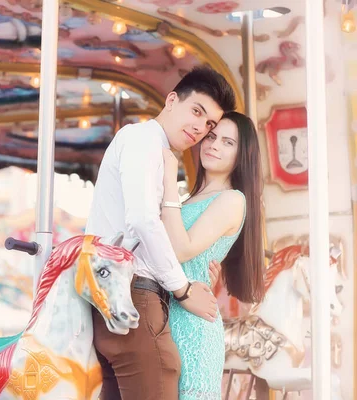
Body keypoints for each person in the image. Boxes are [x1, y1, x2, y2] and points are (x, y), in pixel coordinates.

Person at [85, 66, 236, 399]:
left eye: (210, 123)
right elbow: (141, 219)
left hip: (121, 295)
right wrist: (182, 289)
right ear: (171, 100)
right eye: (197, 111)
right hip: (136, 296)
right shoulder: (143, 139)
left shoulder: (156, 150)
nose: (201, 128)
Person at [160, 111, 265, 399]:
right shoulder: (187, 201)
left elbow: (182, 248)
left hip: (193, 327)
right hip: (168, 312)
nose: (214, 145)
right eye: (211, 136)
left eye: (227, 142)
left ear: (242, 155)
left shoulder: (232, 199)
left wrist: (169, 179)